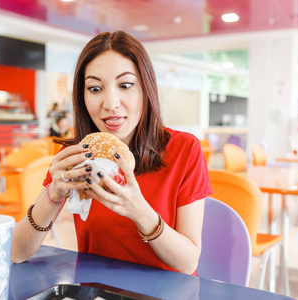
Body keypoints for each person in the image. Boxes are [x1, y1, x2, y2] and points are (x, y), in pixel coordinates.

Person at [11, 31, 213, 275]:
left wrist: (141, 212)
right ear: (82, 96)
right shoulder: (78, 155)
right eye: (95, 89)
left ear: (146, 88)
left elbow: (188, 262)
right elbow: (17, 252)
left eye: (125, 85)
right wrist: (53, 191)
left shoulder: (185, 149)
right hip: (97, 290)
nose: (111, 103)